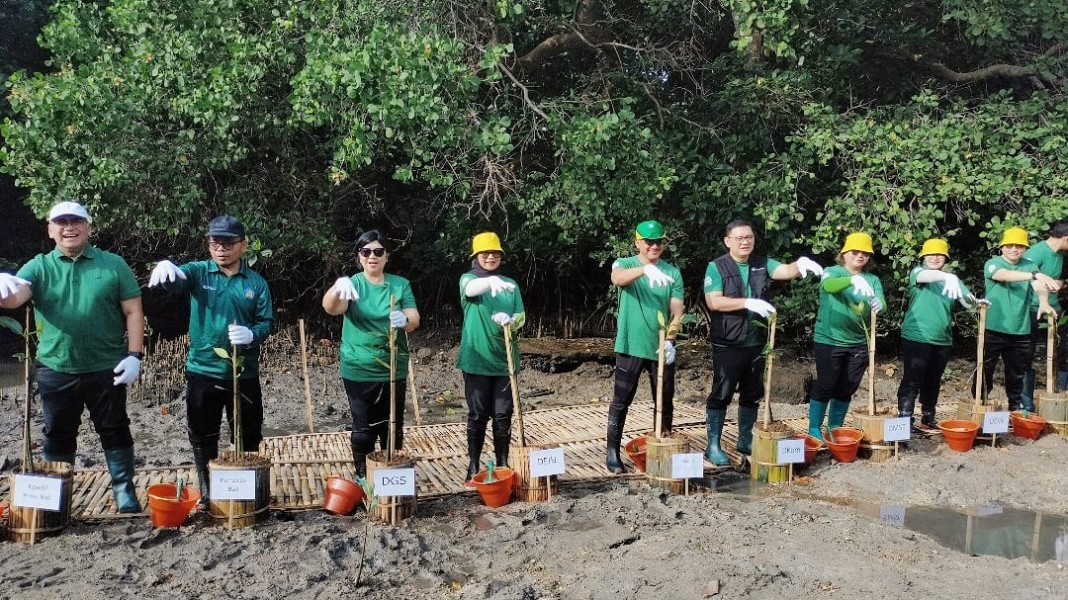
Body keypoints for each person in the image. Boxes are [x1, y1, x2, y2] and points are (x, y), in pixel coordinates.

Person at [0, 201, 144, 512]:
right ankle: (55, 499)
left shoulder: (113, 265)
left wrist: (135, 355)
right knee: (57, 433)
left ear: (88, 227)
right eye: (61, 222)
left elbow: (133, 311)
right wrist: (2, 285)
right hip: (56, 367)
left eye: (76, 221)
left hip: (108, 366)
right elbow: (15, 298)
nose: (69, 227)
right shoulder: (38, 266)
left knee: (115, 427)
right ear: (50, 230)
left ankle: (124, 491)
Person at [147, 215, 274, 507]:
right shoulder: (198, 273)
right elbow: (177, 281)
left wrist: (251, 334)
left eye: (228, 242)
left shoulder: (256, 283)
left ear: (243, 246)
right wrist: (168, 268)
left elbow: (267, 321)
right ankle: (208, 492)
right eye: (215, 242)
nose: (221, 248)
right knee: (203, 434)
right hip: (203, 369)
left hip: (244, 371)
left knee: (248, 432)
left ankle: (247, 488)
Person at [702, 219, 823, 466]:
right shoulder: (717, 267)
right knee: (722, 393)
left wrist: (799, 264)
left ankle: (745, 439)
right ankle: (712, 445)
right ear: (728, 242)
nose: (745, 242)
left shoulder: (761, 263)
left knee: (752, 393)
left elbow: (783, 271)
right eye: (739, 238)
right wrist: (746, 303)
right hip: (728, 342)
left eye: (749, 237)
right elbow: (714, 302)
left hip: (756, 341)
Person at [322, 230, 420, 479]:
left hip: (392, 365)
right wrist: (337, 288)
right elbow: (332, 308)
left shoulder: (399, 284)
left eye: (378, 252)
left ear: (387, 256)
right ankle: (363, 476)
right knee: (363, 429)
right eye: (366, 252)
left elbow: (414, 320)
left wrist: (404, 319)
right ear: (360, 256)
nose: (372, 257)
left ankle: (391, 474)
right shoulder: (353, 284)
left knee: (392, 426)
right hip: (358, 364)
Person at [605, 220, 684, 474]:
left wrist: (671, 340)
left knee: (665, 400)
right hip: (630, 345)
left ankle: (662, 448)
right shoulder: (625, 263)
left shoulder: (672, 273)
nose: (654, 246)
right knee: (621, 399)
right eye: (649, 242)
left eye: (659, 241)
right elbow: (617, 279)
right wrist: (644, 270)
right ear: (637, 242)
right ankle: (612, 453)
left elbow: (677, 312)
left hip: (660, 349)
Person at [457, 232, 526, 482]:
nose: (490, 257)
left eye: (495, 253)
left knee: (502, 414)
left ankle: (503, 463)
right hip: (476, 359)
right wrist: (488, 283)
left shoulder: (510, 285)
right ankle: (474, 465)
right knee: (478, 414)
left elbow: (521, 315)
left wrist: (512, 320)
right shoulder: (469, 279)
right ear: (475, 256)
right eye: (485, 253)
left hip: (505, 359)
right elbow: (470, 289)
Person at [808, 232, 885, 442]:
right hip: (829, 340)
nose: (860, 256)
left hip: (859, 342)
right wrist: (851, 280)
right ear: (844, 253)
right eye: (855, 251)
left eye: (865, 253)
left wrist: (879, 304)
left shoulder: (873, 279)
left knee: (847, 386)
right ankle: (814, 427)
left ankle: (835, 427)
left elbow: (881, 301)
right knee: (826, 383)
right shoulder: (832, 272)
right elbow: (828, 286)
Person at [896, 238, 980, 433]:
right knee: (912, 378)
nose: (935, 257)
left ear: (946, 258)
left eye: (940, 254)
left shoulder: (952, 280)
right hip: (917, 336)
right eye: (931, 254)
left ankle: (928, 416)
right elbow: (925, 276)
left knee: (934, 379)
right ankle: (904, 420)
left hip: (942, 338)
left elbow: (969, 302)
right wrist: (946, 278)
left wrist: (978, 302)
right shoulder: (919, 273)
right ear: (923, 256)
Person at [979, 227, 1057, 410]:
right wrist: (1034, 274)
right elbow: (1003, 276)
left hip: (1020, 329)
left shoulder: (1029, 265)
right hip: (993, 327)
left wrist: (1044, 302)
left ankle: (1015, 409)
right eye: (1010, 245)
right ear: (1002, 247)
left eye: (1020, 246)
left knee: (1016, 373)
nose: (1014, 249)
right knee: (985, 369)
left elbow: (1038, 285)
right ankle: (980, 405)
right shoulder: (993, 263)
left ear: (1025, 248)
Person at [1022, 222, 1068, 408]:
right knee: (1027, 355)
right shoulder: (1036, 252)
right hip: (1032, 310)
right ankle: (1025, 404)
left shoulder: (1061, 255)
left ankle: (1060, 400)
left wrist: (1059, 283)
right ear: (1065, 238)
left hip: (1054, 310)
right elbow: (1025, 278)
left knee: (1062, 353)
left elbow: (1058, 280)